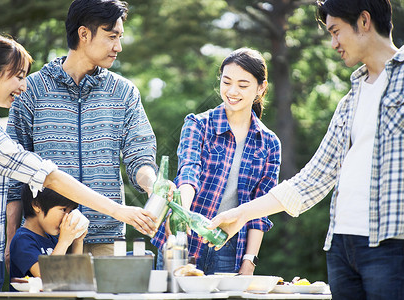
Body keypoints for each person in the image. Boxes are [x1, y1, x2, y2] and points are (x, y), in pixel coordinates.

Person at [209, 0, 404, 298]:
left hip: (392, 244)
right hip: (341, 247)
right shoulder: (350, 100)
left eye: (336, 31)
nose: (333, 43)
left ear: (364, 21)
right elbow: (314, 178)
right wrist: (242, 213)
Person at [0, 34, 156, 300]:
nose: (23, 86)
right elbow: (49, 177)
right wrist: (121, 211)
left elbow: (140, 150)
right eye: (18, 76)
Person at [5, 0, 158, 273]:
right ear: (84, 34)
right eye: (112, 36)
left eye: (120, 37)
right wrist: (9, 240)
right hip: (46, 241)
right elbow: (15, 176)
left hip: (107, 241)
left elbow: (140, 156)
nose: (118, 47)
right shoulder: (31, 91)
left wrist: (153, 186)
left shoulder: (124, 93)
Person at [151, 48, 281, 275]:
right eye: (226, 82)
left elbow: (260, 209)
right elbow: (188, 172)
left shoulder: (269, 144)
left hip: (228, 246)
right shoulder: (198, 125)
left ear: (261, 88)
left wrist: (249, 260)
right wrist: (182, 215)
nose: (232, 91)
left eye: (243, 85)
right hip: (185, 239)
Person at [9, 186, 86, 283]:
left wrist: (77, 241)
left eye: (69, 212)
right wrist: (64, 242)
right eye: (63, 210)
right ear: (37, 205)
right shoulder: (22, 240)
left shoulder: (52, 240)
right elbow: (46, 276)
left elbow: (74, 277)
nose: (67, 217)